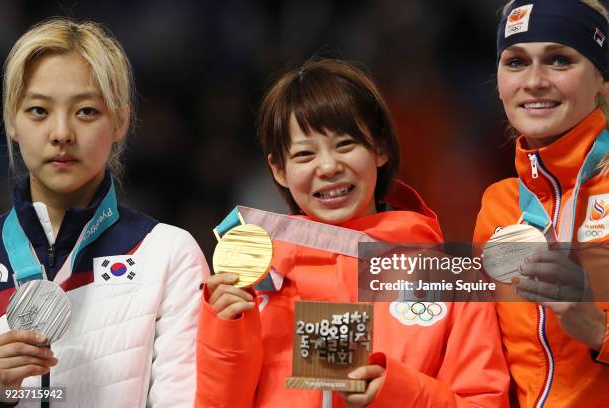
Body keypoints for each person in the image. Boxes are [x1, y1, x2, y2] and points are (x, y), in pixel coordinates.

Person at [196, 58, 509, 407]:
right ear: (279, 170)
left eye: (345, 144)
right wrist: (226, 332)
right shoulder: (257, 278)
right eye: (304, 154)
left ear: (380, 148)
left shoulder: (451, 277)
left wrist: (396, 394)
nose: (328, 166)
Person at [0, 18, 208, 407]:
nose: (61, 133)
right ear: (12, 120)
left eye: (86, 111)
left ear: (121, 121)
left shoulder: (168, 256)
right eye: (39, 110)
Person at [473, 0, 609, 406]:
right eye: (516, 62)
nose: (534, 81)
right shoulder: (497, 206)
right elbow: (479, 369)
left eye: (559, 60)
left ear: (602, 76)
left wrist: (600, 332)